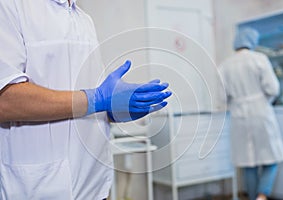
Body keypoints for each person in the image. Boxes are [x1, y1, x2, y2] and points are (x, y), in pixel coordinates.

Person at [0, 0, 171, 199]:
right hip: (37, 188)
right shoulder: (11, 7)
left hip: (94, 187)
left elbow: (89, 100)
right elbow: (6, 101)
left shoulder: (83, 20)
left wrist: (114, 111)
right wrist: (96, 99)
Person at [220, 28, 283, 200]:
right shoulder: (259, 59)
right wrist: (264, 101)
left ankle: (253, 197)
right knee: (271, 158)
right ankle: (262, 195)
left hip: (238, 115)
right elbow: (273, 88)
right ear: (253, 41)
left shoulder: (225, 65)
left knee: (247, 162)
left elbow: (221, 96)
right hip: (261, 112)